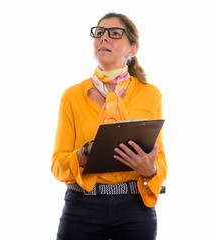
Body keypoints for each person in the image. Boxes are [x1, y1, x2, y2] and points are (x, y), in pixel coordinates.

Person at [51, 13, 167, 240]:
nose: (104, 38)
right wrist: (84, 154)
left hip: (135, 210)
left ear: (133, 49)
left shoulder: (150, 94)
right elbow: (57, 165)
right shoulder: (72, 96)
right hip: (81, 207)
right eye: (100, 32)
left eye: (115, 33)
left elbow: (159, 159)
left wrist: (150, 171)